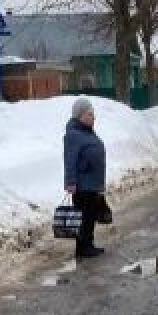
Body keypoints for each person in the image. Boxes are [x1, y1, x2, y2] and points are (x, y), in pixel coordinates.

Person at [63, 97, 107, 259]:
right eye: (89, 114)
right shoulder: (73, 135)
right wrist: (70, 182)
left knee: (90, 216)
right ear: (80, 116)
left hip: (92, 184)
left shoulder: (87, 131)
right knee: (84, 218)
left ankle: (88, 245)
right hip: (82, 185)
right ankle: (82, 248)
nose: (93, 117)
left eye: (93, 114)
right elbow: (70, 159)